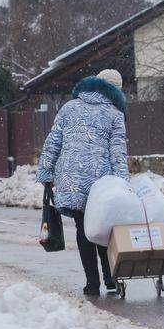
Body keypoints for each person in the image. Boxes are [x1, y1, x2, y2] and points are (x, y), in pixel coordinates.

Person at [37, 68, 129, 296]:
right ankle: (110, 279)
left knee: (83, 229)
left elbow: (52, 143)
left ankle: (92, 284)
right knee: (104, 229)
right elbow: (118, 153)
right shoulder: (115, 114)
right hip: (102, 183)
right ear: (116, 90)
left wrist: (46, 173)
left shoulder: (69, 108)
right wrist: (123, 184)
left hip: (71, 178)